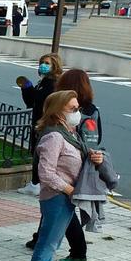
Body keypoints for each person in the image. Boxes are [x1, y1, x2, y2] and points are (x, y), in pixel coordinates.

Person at [24, 90, 104, 261]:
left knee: (53, 244)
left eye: (78, 108)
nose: (78, 113)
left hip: (66, 198)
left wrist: (93, 156)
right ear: (58, 112)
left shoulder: (71, 134)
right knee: (47, 246)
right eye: (73, 109)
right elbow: (46, 174)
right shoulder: (54, 137)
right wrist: (70, 190)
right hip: (56, 198)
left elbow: (75, 159)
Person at [58, 67, 105, 235]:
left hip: (70, 162)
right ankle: (41, 237)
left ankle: (78, 250)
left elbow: (91, 139)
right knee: (59, 205)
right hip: (74, 161)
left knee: (63, 206)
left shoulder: (80, 110)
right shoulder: (91, 110)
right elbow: (97, 139)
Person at [17, 52, 63, 196]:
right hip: (39, 122)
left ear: (55, 65)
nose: (43, 65)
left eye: (47, 63)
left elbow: (44, 102)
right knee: (37, 152)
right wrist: (26, 88)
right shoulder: (43, 82)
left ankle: (36, 184)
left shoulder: (54, 84)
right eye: (42, 62)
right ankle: (37, 183)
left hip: (46, 124)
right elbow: (32, 102)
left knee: (41, 154)